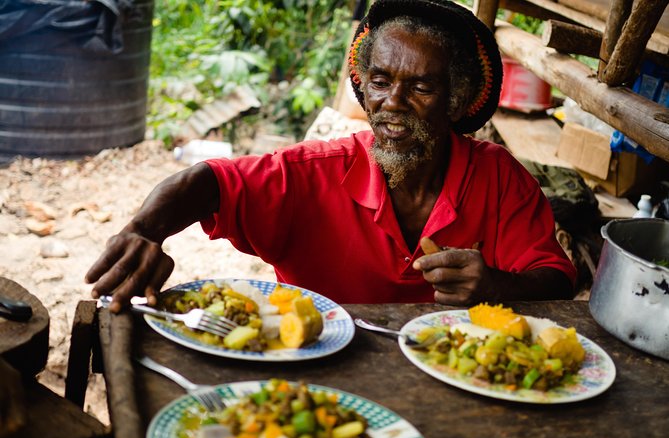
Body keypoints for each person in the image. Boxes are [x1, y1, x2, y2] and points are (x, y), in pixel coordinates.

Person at [86, 0, 576, 313]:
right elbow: (207, 181)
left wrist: (496, 286)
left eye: (422, 86)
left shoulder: (498, 177)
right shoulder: (315, 171)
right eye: (380, 82)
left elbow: (554, 278)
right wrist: (144, 231)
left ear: (457, 97)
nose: (393, 103)